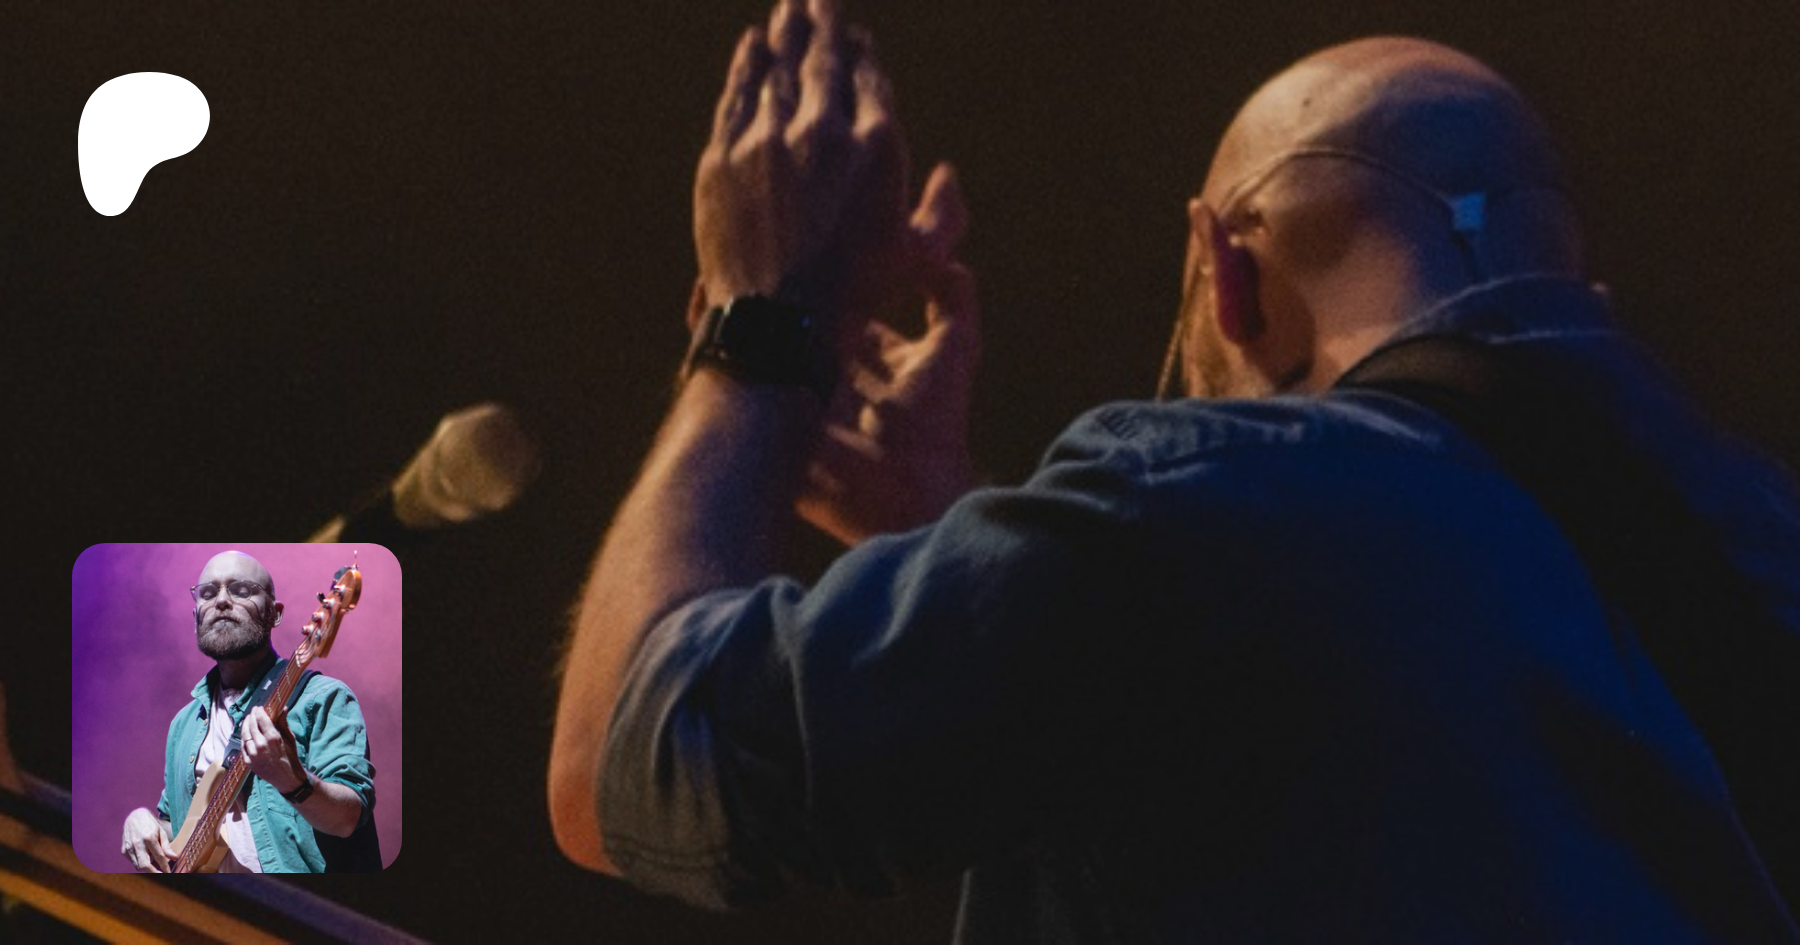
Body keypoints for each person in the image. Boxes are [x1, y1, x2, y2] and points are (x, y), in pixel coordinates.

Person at [549, 1, 1800, 939]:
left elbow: (629, 757)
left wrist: (763, 325)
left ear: (1230, 273)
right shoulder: (1755, 542)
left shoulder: (1203, 503)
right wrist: (947, 533)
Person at [120, 551, 380, 873]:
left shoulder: (323, 698)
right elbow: (177, 827)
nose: (221, 601)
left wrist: (292, 780)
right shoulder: (184, 724)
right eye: (208, 593)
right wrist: (142, 823)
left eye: (241, 590)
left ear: (275, 614)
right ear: (196, 616)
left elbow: (348, 819)